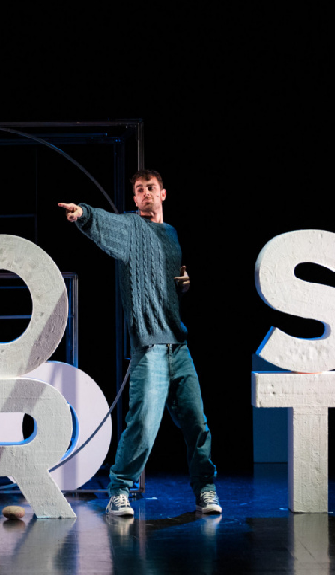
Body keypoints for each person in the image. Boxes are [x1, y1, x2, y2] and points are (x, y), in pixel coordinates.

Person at [58, 170, 220, 517]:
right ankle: (119, 491)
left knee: (197, 423)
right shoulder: (131, 228)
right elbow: (104, 224)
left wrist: (183, 284)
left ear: (163, 193)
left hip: (179, 345)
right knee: (144, 424)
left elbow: (167, 284)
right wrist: (82, 213)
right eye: (139, 189)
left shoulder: (171, 234)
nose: (145, 193)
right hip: (150, 347)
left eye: (150, 188)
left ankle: (205, 490)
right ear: (134, 199)